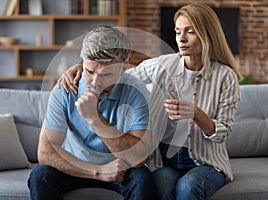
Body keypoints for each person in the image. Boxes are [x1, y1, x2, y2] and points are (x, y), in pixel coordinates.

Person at [57, 3, 244, 200]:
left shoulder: (225, 77)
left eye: (190, 32)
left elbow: (222, 133)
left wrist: (196, 114)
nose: (181, 38)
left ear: (207, 34)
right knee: (160, 186)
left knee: (187, 188)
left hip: (206, 161)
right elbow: (120, 69)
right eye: (178, 31)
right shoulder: (164, 66)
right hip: (168, 161)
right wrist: (82, 66)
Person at [28, 25, 158, 200]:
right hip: (76, 166)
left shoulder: (136, 91)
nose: (95, 82)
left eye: (106, 75)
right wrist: (98, 172)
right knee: (40, 175)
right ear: (82, 62)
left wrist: (94, 118)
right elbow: (45, 152)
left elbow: (138, 157)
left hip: (120, 169)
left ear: (122, 70)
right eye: (89, 71)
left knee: (141, 177)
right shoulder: (66, 88)